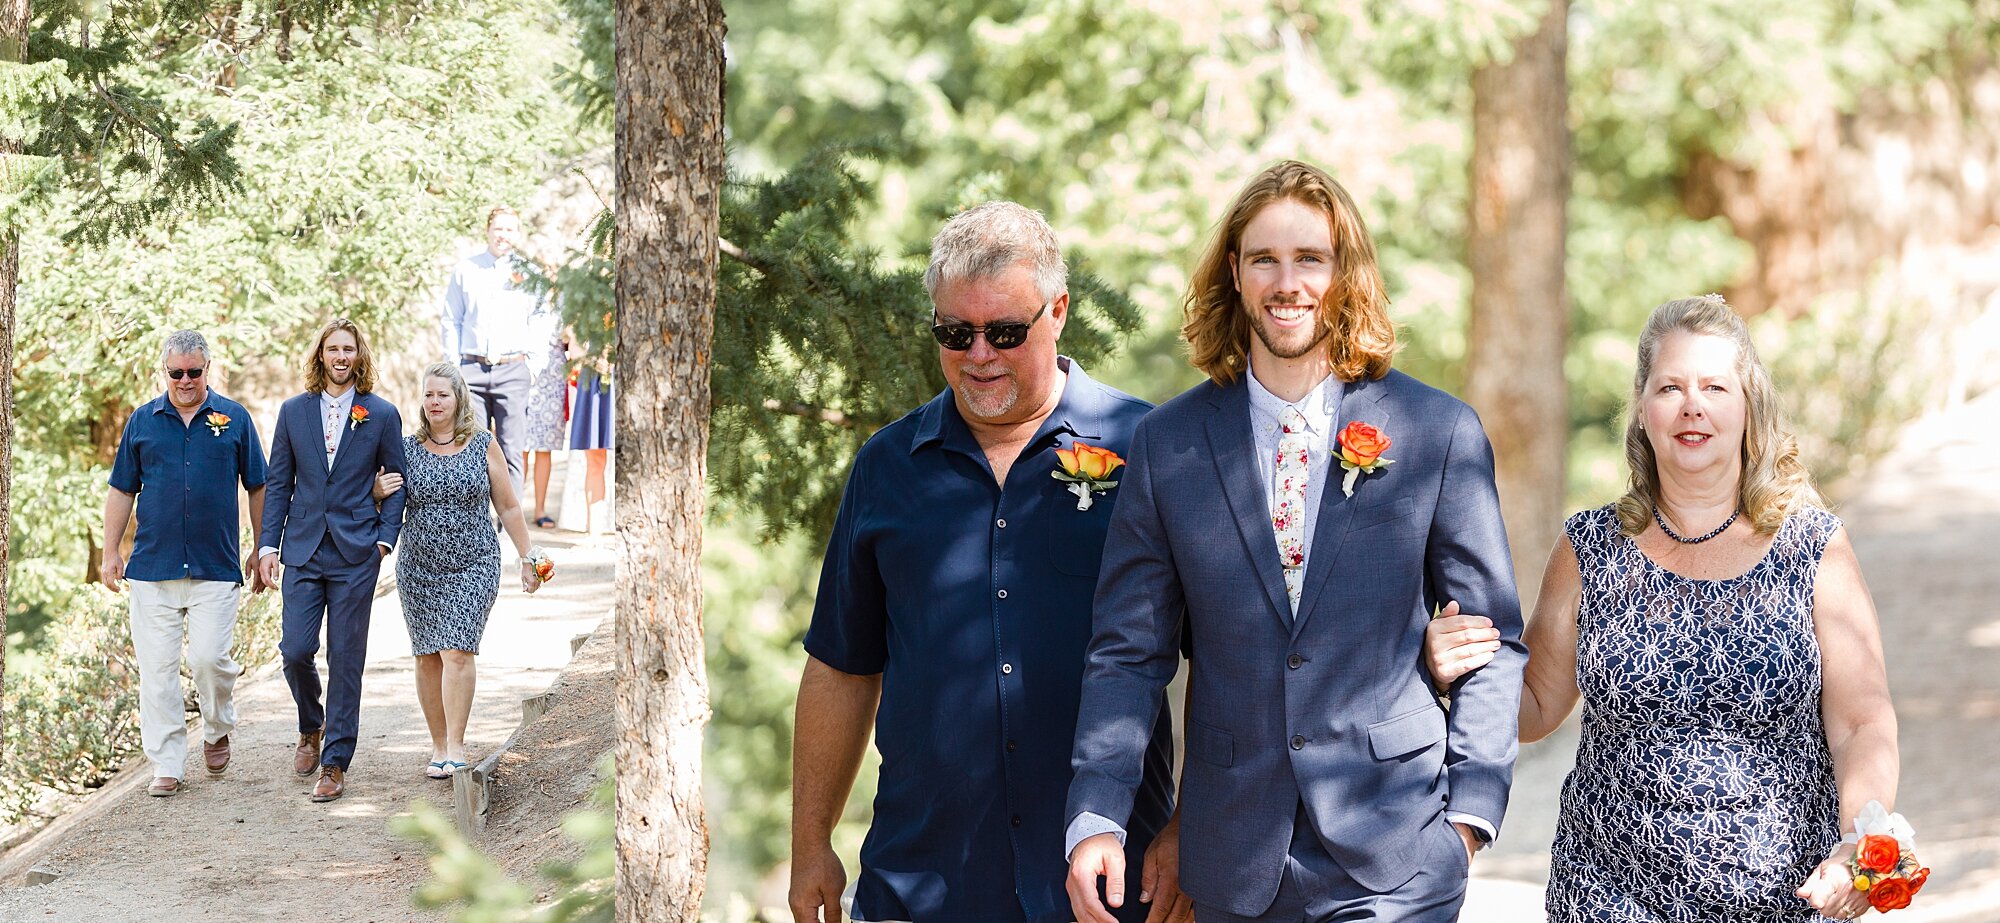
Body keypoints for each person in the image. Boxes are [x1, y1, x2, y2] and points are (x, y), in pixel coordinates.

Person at [1066, 160, 1525, 923]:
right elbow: (1128, 650)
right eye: (1264, 260)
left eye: (1311, 258)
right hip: (1234, 858)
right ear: (1235, 277)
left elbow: (1494, 639)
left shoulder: (1438, 431)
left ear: (1345, 274)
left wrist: (1469, 819)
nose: (1289, 282)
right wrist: (1098, 816)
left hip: (1398, 855)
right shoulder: (1167, 445)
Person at [1422, 295, 1898, 922]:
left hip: (1783, 899)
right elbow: (1535, 704)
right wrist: (1449, 669)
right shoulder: (1588, 546)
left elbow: (1862, 722)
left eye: (1714, 387)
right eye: (1670, 386)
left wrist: (1858, 844)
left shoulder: (1813, 545)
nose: (1692, 404)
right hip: (1608, 896)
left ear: (1748, 408)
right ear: (1643, 412)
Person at [789, 202, 1180, 923]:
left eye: (1004, 331)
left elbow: (1229, 656)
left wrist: (1194, 829)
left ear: (1058, 310)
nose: (979, 355)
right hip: (925, 887)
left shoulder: (1149, 448)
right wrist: (810, 841)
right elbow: (842, 665)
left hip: (1111, 888)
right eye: (953, 332)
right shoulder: (885, 467)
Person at [101, 329, 266, 797]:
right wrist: (111, 551)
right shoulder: (143, 421)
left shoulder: (234, 419)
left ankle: (217, 727)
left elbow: (258, 485)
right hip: (153, 567)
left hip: (216, 565)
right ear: (165, 372)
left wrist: (262, 546)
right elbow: (121, 489)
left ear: (207, 370)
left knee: (209, 659)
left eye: (194, 372)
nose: (186, 380)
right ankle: (168, 764)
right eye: (177, 373)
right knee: (156, 672)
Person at [370, 362, 544, 779]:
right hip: (419, 567)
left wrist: (528, 557)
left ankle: (457, 744)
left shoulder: (482, 443)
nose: (434, 402)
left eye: (442, 395)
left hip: (474, 561)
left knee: (457, 650)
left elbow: (508, 505)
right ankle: (437, 744)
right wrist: (375, 492)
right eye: (428, 395)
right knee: (428, 656)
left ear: (458, 399)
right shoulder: (405, 447)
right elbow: (381, 500)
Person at [258, 317, 407, 803]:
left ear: (359, 356)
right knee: (295, 650)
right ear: (320, 356)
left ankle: (335, 762)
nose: (341, 357)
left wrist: (385, 540)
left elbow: (396, 482)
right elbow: (279, 482)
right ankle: (310, 726)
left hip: (355, 552)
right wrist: (267, 545)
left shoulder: (381, 414)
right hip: (302, 548)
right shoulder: (293, 412)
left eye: (349, 349)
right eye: (332, 349)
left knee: (346, 659)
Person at [440, 205, 540, 495]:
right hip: (472, 371)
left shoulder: (530, 272)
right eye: (498, 228)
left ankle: (512, 530)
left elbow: (542, 317)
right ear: (488, 230)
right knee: (475, 449)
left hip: (514, 369)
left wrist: (534, 366)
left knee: (511, 450)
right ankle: (479, 524)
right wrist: (454, 367)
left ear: (517, 233)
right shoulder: (466, 270)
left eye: (510, 229)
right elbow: (451, 319)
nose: (503, 235)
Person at [523, 312, 572, 528]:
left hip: (553, 377)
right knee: (519, 447)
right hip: (524, 374)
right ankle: (514, 507)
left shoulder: (565, 299)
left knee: (545, 448)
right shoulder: (526, 292)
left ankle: (540, 510)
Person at [567, 359, 613, 531]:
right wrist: (592, 358)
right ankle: (594, 532)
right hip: (594, 377)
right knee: (595, 460)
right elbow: (574, 340)